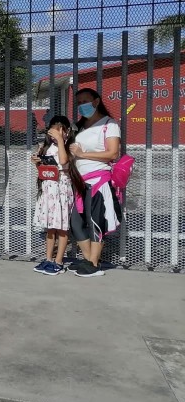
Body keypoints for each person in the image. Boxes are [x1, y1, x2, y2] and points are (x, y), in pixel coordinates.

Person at [67, 88, 122, 278]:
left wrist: (83, 154)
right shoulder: (80, 127)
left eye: (85, 101)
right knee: (76, 222)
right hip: (80, 182)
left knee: (95, 221)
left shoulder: (109, 124)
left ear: (96, 101)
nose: (82, 105)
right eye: (79, 102)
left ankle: (93, 263)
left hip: (98, 179)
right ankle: (89, 259)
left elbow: (113, 153)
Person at [31, 115, 76, 276]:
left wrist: (61, 140)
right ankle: (48, 258)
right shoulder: (47, 147)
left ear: (66, 132)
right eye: (53, 132)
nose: (55, 135)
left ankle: (59, 261)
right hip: (49, 191)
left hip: (62, 191)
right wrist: (37, 161)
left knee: (62, 228)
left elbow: (63, 161)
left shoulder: (69, 147)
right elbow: (44, 170)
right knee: (50, 228)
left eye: (60, 131)